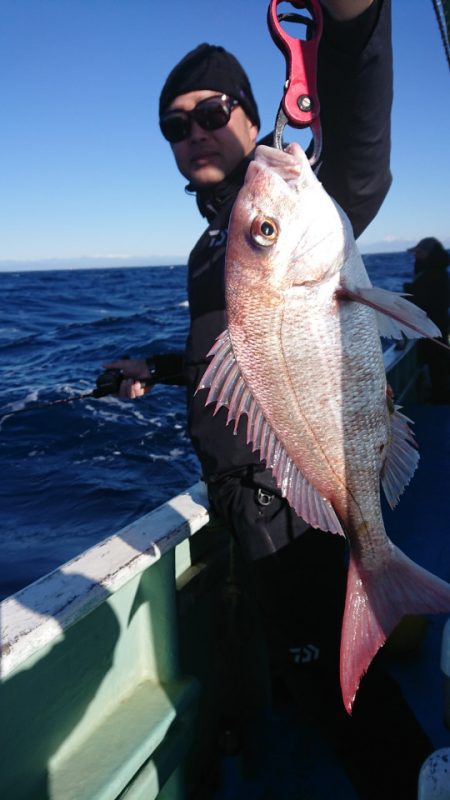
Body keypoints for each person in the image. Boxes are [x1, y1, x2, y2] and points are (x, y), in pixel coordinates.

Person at [106, 2, 433, 796]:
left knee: (348, 708)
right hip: (247, 511)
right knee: (314, 690)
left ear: (255, 115)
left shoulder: (297, 209)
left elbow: (359, 150)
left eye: (211, 113)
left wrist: (353, 24)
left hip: (298, 517)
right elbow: (242, 353)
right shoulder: (211, 247)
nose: (193, 135)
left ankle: (423, 779)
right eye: (174, 128)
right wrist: (157, 364)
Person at [404, 237, 450, 402]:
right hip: (435, 323)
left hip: (433, 325)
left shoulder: (433, 274)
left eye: (420, 252)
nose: (416, 256)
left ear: (429, 253)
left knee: (437, 360)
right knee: (437, 359)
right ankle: (440, 393)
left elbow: (426, 302)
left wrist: (410, 295)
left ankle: (441, 396)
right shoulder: (436, 271)